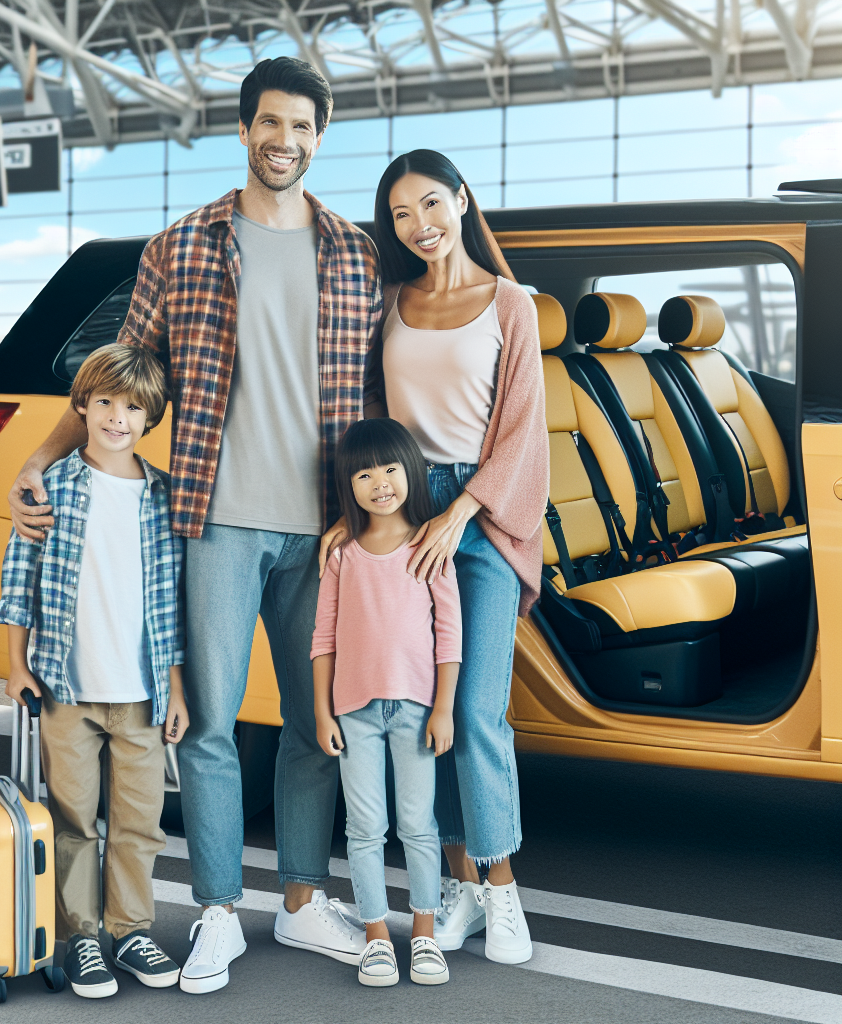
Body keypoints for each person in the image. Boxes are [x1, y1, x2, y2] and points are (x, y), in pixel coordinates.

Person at [5, 57, 382, 993]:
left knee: (314, 722)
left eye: (300, 126)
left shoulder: (358, 252)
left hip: (326, 529)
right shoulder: (181, 246)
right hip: (214, 517)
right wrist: (38, 460)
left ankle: (300, 903)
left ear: (320, 135)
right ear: (243, 127)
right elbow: (116, 370)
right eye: (267, 123)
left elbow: (384, 389)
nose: (282, 141)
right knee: (209, 726)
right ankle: (217, 910)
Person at [322, 149, 548, 964]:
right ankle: (460, 888)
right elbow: (371, 421)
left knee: (479, 711)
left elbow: (524, 427)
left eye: (430, 204)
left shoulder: (510, 303)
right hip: (403, 518)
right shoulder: (389, 303)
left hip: (480, 517)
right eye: (401, 215)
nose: (419, 225)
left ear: (461, 199)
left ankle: (504, 892)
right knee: (425, 718)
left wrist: (461, 511)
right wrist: (362, 513)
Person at [0, 343, 189, 999]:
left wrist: (177, 690)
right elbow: (17, 579)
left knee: (140, 825)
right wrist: (15, 664)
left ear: (150, 417)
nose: (116, 417)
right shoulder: (50, 489)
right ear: (81, 407)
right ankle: (81, 938)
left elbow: (172, 606)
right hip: (65, 691)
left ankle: (131, 930)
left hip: (141, 696)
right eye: (104, 402)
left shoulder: (164, 497)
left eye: (132, 407)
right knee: (74, 821)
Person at [312, 419, 460, 987]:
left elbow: (450, 634)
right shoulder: (342, 554)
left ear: (411, 472)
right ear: (349, 484)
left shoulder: (429, 545)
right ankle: (377, 937)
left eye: (391, 468)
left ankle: (423, 934)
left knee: (420, 826)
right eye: (364, 473)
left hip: (418, 710)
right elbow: (323, 637)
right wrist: (325, 712)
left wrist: (443, 707)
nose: (380, 483)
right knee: (365, 826)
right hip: (354, 711)